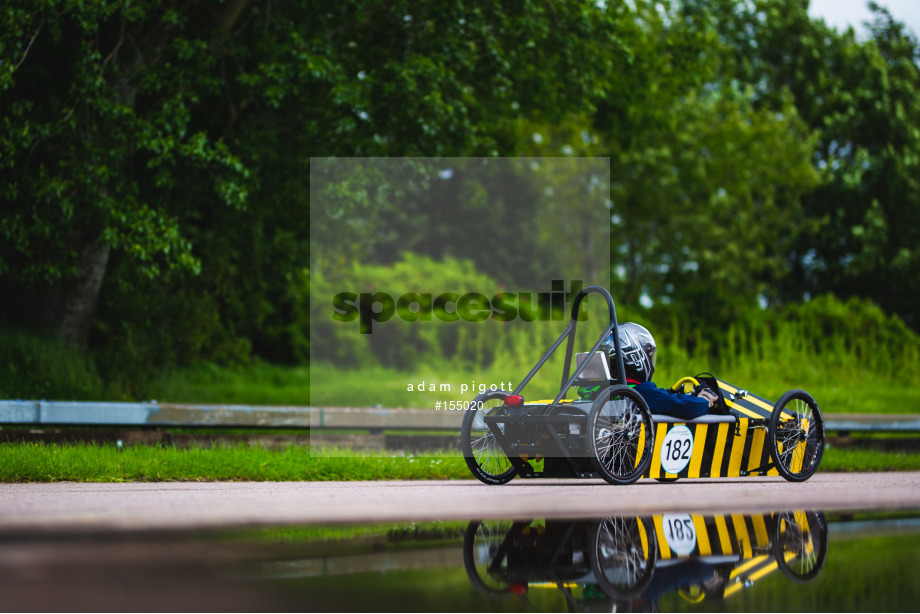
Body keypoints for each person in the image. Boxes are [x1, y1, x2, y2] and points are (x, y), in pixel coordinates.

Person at [579, 322, 718, 420]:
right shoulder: (642, 393)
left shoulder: (595, 391)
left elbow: (661, 398)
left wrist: (670, 392)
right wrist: (704, 400)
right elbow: (686, 407)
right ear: (636, 358)